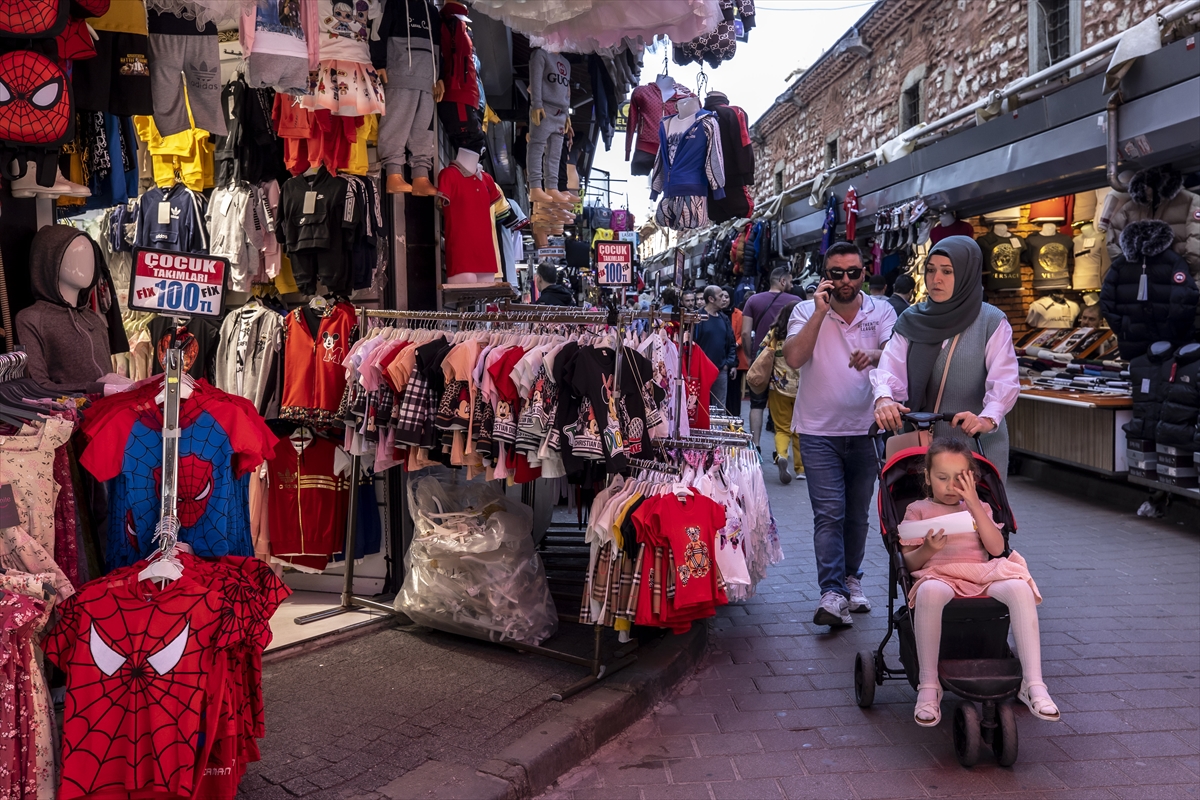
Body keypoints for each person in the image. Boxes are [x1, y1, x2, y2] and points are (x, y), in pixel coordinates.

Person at [901, 437, 1059, 726]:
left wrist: (973, 504)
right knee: (930, 592)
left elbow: (997, 549)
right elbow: (908, 563)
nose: (951, 486)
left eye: (959, 478)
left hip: (980, 573)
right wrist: (927, 550)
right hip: (940, 574)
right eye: (942, 478)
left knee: (1019, 588)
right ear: (927, 477)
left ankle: (1033, 683)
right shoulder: (917, 510)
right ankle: (928, 685)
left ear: (972, 479)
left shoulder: (979, 507)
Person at [783, 242, 897, 627]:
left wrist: (875, 356)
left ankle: (852, 579)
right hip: (818, 431)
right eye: (836, 273)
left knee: (857, 516)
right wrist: (819, 312)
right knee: (828, 514)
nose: (845, 280)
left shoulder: (881, 310)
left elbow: (894, 353)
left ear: (864, 273)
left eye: (853, 272)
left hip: (867, 429)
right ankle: (831, 593)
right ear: (825, 276)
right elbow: (795, 357)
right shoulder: (804, 310)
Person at [871, 236, 1020, 478]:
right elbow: (889, 368)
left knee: (975, 514)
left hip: (975, 445)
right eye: (930, 270)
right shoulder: (911, 319)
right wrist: (884, 399)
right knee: (920, 513)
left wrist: (987, 419)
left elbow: (1004, 380)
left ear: (966, 274)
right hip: (921, 447)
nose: (935, 279)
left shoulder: (991, 321)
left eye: (947, 271)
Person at [742, 267, 804, 454]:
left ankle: (756, 445)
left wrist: (749, 355)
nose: (792, 286)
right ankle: (782, 450)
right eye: (791, 282)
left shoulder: (753, 300)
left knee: (757, 404)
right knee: (786, 408)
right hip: (788, 365)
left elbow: (745, 332)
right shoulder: (798, 303)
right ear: (783, 281)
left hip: (761, 360)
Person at [761, 301, 803, 484]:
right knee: (799, 429)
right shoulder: (804, 333)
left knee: (782, 428)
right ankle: (800, 469)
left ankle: (781, 455)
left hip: (778, 387)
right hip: (803, 388)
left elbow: (762, 353)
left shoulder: (774, 333)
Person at [694, 285, 737, 407]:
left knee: (720, 407)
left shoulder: (724, 318)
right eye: (721, 296)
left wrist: (729, 363)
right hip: (700, 370)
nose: (724, 299)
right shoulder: (697, 317)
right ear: (711, 299)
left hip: (720, 370)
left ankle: (717, 427)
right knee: (699, 406)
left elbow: (731, 342)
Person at [728, 291, 751, 416]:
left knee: (734, 390)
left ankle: (734, 416)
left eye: (727, 296)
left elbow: (744, 333)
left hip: (736, 356)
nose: (725, 299)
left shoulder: (739, 314)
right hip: (722, 356)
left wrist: (736, 343)